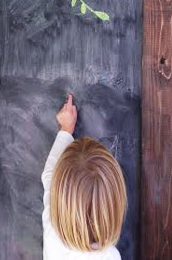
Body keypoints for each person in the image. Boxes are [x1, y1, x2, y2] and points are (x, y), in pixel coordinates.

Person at [42, 93, 127, 259]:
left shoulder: (53, 235)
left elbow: (49, 176)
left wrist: (66, 129)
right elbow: (50, 177)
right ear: (114, 207)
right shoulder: (109, 256)